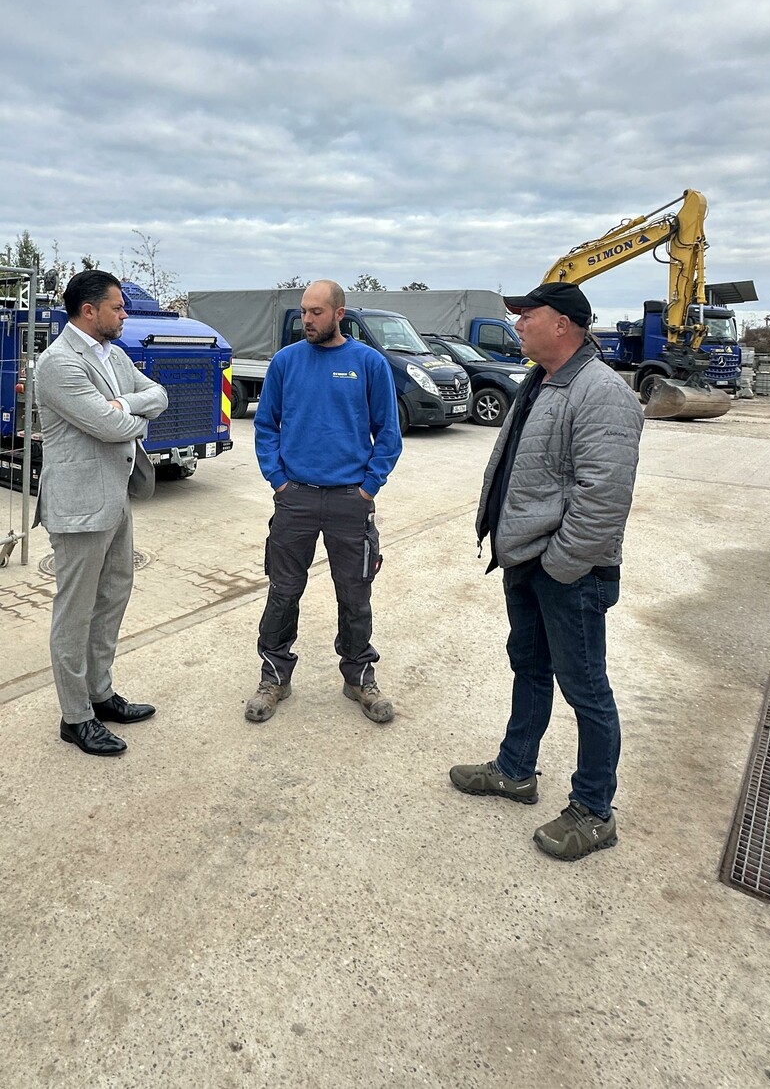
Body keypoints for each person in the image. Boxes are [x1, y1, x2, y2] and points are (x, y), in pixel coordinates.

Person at [449, 282, 644, 861]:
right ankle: (515, 771)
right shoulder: (541, 380)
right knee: (529, 666)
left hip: (568, 571)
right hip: (526, 559)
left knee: (586, 689)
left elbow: (603, 497)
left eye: (528, 316)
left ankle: (593, 810)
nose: (519, 324)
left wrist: (560, 565)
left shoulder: (602, 392)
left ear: (563, 324)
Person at [245, 279, 402, 725]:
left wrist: (368, 487)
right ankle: (274, 676)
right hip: (295, 499)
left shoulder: (368, 363)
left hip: (350, 502)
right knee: (283, 591)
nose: (306, 320)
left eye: (316, 312)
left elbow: (388, 433)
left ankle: (359, 678)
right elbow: (266, 426)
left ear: (339, 313)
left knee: (355, 594)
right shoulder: (285, 362)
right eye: (303, 312)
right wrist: (278, 480)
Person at [35, 270, 169, 756]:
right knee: (74, 613)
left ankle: (100, 693)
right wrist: (128, 415)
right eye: (117, 307)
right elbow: (111, 427)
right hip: (79, 507)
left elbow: (160, 394)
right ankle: (75, 717)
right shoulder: (57, 364)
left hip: (116, 498)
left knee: (113, 597)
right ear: (88, 311)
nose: (124, 314)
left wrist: (123, 403)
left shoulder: (110, 354)